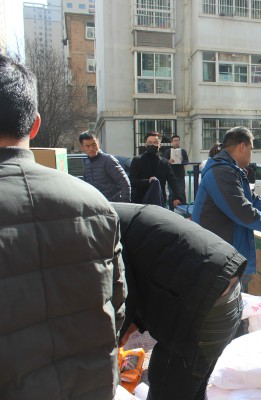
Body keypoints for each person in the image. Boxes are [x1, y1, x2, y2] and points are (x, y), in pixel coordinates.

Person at [0, 54, 126, 399]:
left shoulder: (104, 174)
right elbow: (116, 303)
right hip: (92, 385)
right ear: (35, 125)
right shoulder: (94, 203)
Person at [113, 203, 246, 400]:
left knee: (168, 384)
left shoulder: (104, 228)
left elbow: (123, 292)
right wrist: (128, 328)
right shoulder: (122, 216)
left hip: (205, 304)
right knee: (191, 389)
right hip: (225, 294)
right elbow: (147, 274)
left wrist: (115, 339)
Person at [192, 126, 261, 290]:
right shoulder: (222, 172)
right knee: (224, 298)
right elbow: (243, 211)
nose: (251, 155)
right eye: (251, 149)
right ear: (242, 146)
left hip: (226, 249)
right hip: (218, 253)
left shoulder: (231, 170)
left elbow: (252, 200)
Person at [129, 131, 183, 208]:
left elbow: (172, 181)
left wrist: (177, 197)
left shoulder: (164, 163)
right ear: (145, 144)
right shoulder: (137, 160)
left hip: (159, 202)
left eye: (155, 142)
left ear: (159, 145)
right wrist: (148, 181)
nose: (152, 145)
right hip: (140, 201)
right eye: (149, 142)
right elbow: (132, 181)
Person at [79, 131, 131, 202]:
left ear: (98, 143)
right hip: (96, 203)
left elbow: (124, 181)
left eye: (94, 145)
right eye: (87, 146)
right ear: (82, 147)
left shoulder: (108, 160)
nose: (91, 148)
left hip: (112, 203)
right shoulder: (87, 163)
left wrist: (125, 201)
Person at [164, 134, 189, 209]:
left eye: (178, 140)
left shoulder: (183, 151)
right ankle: (171, 210)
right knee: (171, 193)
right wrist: (169, 161)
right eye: (175, 141)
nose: (176, 142)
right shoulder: (168, 151)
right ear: (172, 142)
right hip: (171, 175)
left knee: (182, 192)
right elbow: (164, 162)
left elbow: (186, 162)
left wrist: (182, 160)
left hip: (180, 174)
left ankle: (184, 210)